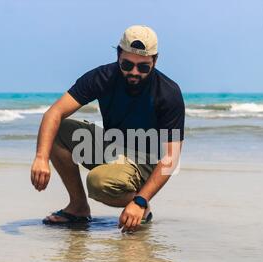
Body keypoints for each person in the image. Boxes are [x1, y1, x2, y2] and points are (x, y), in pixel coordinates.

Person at [30, 25, 185, 232]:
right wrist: (41, 157)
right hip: (113, 146)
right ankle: (78, 207)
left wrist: (139, 201)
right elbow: (53, 114)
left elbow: (170, 159)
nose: (134, 72)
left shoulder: (168, 93)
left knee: (98, 183)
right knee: (58, 130)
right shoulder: (102, 77)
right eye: (127, 64)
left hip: (146, 161)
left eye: (144, 67)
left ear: (155, 61)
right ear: (118, 55)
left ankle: (142, 208)